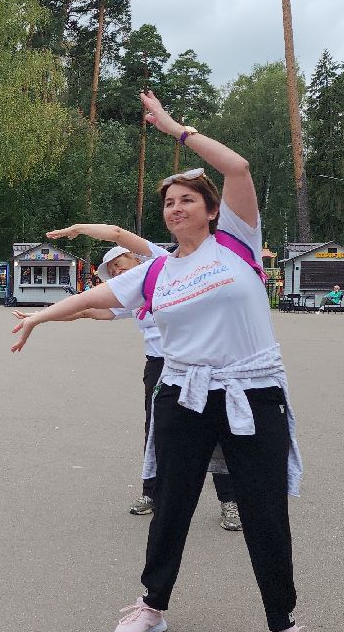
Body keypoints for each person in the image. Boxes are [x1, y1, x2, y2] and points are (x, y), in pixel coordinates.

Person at [11, 90, 311, 632]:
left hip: (252, 394)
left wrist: (176, 130)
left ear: (211, 209)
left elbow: (238, 167)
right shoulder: (156, 272)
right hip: (183, 395)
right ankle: (152, 605)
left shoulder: (238, 243)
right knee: (171, 504)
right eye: (169, 203)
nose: (176, 208)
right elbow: (96, 296)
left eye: (187, 199)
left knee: (264, 512)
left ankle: (285, 629)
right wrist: (40, 317)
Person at [50, 223, 242, 532]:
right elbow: (90, 310)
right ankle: (152, 493)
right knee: (156, 430)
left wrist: (78, 229)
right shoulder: (134, 293)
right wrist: (42, 317)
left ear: (135, 257)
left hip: (197, 362)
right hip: (158, 366)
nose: (117, 270)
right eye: (112, 270)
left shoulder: (161, 262)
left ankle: (230, 501)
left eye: (119, 262)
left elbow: (116, 233)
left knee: (213, 429)